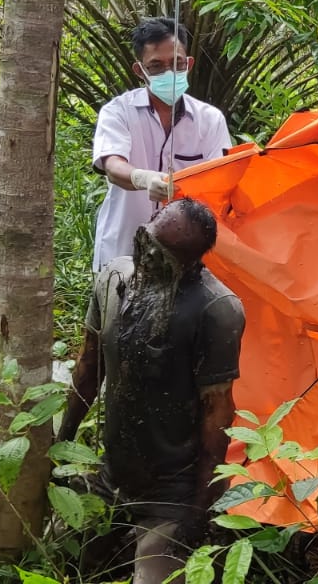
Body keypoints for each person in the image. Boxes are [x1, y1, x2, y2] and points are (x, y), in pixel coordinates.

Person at [58, 198, 244, 584]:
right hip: (114, 473)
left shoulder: (216, 309)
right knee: (62, 556)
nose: (145, 258)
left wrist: (197, 508)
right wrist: (59, 449)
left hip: (172, 489)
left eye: (160, 256)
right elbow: (89, 367)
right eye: (145, 241)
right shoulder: (112, 279)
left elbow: (218, 413)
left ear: (187, 263)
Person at [92, 17, 233, 271]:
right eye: (156, 66)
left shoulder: (209, 120)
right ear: (140, 70)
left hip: (188, 261)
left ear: (188, 63)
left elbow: (220, 182)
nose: (169, 72)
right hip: (123, 257)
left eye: (177, 63)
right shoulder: (118, 112)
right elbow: (113, 165)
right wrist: (143, 179)